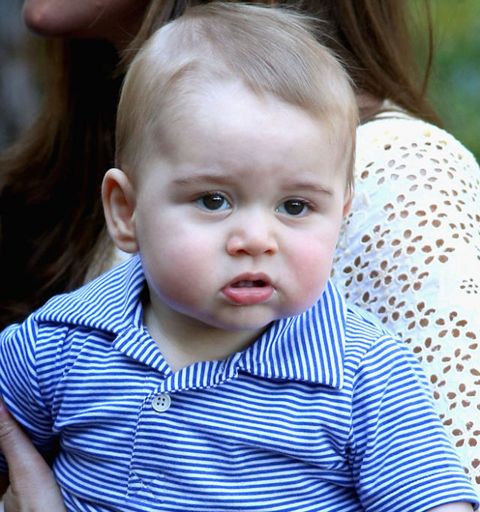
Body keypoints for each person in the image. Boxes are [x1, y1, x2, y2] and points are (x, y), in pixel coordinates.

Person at [1, 3, 478, 511]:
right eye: (213, 200)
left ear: (341, 215)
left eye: (295, 206)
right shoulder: (64, 342)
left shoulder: (363, 373)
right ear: (126, 210)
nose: (256, 239)